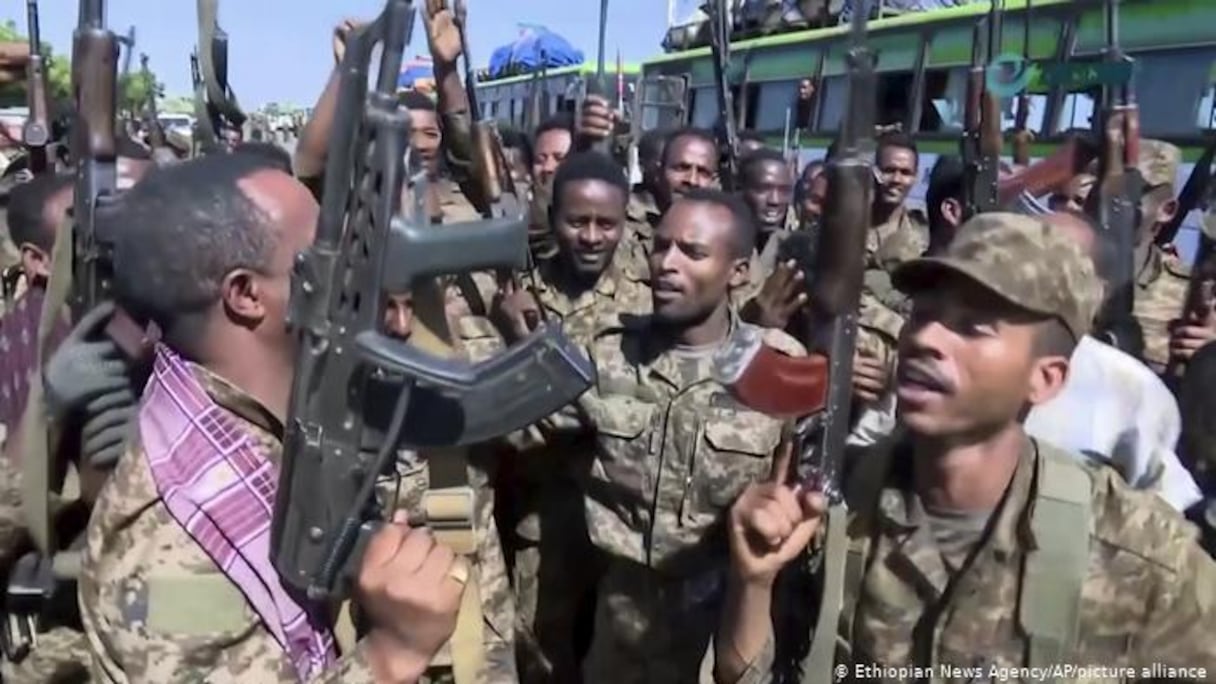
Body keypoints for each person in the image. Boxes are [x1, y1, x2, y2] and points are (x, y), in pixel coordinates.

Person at [714, 212, 1216, 682]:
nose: (927, 337)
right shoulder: (828, 504)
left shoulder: (1144, 554)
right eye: (924, 313)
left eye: (973, 327)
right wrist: (754, 582)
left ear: (1044, 379)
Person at [78, 153, 486, 682]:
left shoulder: (270, 424)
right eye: (326, 252)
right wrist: (391, 654)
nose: (357, 266)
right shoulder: (170, 555)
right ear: (247, 294)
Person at [547, 188, 804, 682]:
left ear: (739, 271)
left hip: (722, 638)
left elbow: (802, 499)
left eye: (693, 252)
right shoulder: (606, 352)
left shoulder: (779, 370)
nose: (666, 263)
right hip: (618, 635)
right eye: (660, 246)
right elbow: (521, 433)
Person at [492, 151, 649, 681]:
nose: (591, 235)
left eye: (607, 223)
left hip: (623, 523)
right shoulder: (519, 295)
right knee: (542, 652)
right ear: (552, 218)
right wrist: (514, 339)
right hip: (544, 516)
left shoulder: (647, 304)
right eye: (576, 221)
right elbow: (504, 411)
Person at [1022, 211, 1201, 512]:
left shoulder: (1131, 388)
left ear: (1096, 290)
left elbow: (1171, 516)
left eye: (1053, 260)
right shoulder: (957, 351)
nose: (1028, 270)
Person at [737, 148, 795, 274]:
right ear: (740, 189)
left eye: (784, 191)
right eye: (763, 189)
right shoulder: (718, 245)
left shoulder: (792, 249)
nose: (775, 200)